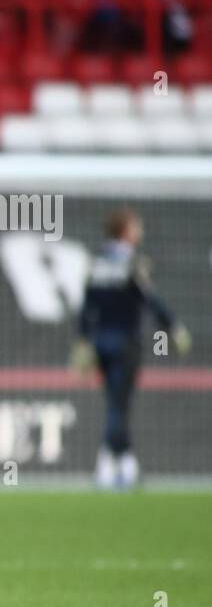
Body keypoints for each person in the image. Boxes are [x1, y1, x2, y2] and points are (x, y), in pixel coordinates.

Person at [74, 208, 189, 489]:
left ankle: (113, 465)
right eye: (136, 226)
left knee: (115, 404)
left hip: (101, 343)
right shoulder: (133, 265)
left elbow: (86, 309)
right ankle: (121, 466)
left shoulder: (96, 264)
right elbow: (152, 301)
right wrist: (173, 327)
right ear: (125, 230)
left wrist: (83, 341)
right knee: (118, 405)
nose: (140, 231)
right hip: (126, 344)